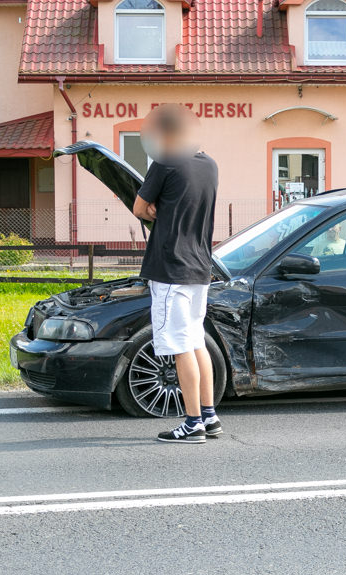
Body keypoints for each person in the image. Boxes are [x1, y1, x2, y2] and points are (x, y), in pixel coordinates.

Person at [133, 105, 220, 444]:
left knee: (180, 345)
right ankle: (210, 417)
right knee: (197, 340)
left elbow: (140, 208)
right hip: (200, 267)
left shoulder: (165, 162)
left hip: (170, 268)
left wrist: (158, 210)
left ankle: (192, 422)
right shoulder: (210, 165)